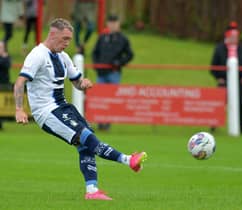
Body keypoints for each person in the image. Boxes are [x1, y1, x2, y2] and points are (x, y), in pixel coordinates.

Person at [14, 18, 147, 200]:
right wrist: (19, 109)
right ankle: (128, 160)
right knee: (87, 137)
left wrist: (82, 84)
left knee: (85, 146)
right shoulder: (37, 55)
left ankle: (92, 191)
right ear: (52, 35)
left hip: (64, 107)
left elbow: (76, 81)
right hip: (47, 112)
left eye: (69, 39)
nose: (68, 43)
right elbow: (20, 81)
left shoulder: (63, 56)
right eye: (65, 39)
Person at [92, 15, 134, 131]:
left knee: (111, 99)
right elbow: (95, 52)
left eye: (115, 23)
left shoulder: (123, 39)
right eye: (110, 22)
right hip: (101, 73)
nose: (112, 25)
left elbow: (130, 55)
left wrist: (119, 62)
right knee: (100, 98)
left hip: (114, 73)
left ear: (118, 24)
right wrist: (96, 65)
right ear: (107, 24)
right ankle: (100, 122)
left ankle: (107, 123)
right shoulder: (102, 37)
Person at [210, 21, 242, 134]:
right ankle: (214, 125)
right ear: (227, 36)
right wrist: (218, 78)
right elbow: (213, 66)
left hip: (238, 82)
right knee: (219, 104)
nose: (234, 39)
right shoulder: (219, 48)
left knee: (241, 103)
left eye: (236, 37)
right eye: (232, 36)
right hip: (224, 81)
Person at [0, 41, 11, 130]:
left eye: (1, 47)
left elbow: (6, 65)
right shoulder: (5, 57)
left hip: (4, 85)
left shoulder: (7, 57)